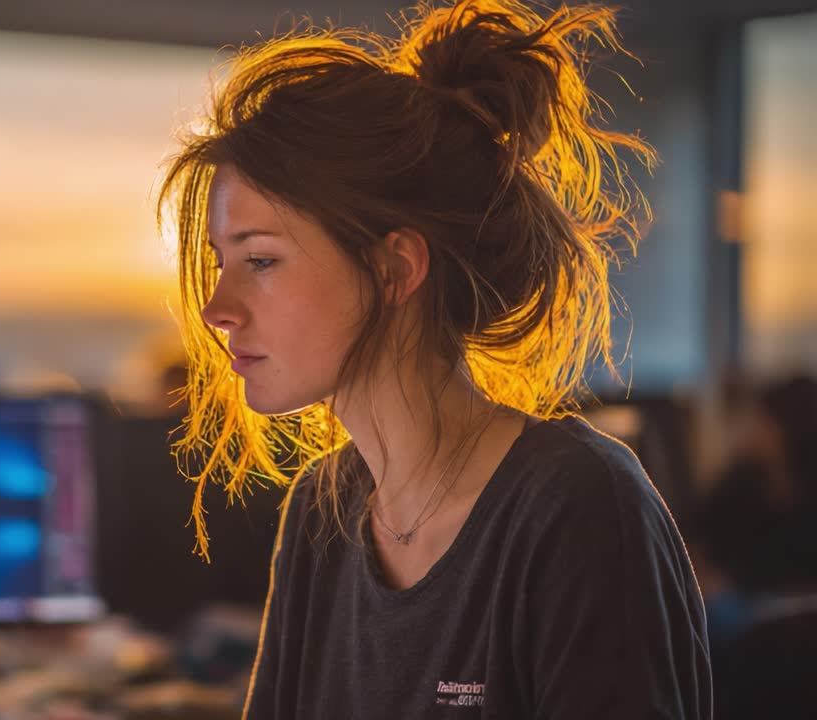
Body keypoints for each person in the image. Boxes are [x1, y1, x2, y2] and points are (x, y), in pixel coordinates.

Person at [157, 0, 712, 717]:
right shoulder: (319, 518)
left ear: (394, 270)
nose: (217, 308)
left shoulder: (576, 505)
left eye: (261, 259)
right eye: (220, 263)